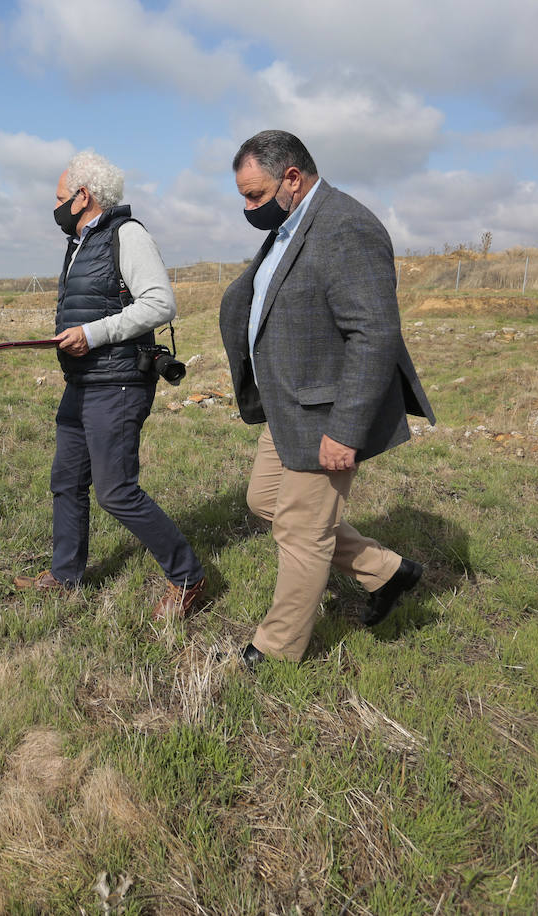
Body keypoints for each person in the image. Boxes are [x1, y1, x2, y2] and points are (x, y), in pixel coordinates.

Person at [219, 130, 436, 667]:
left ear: (292, 178)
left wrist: (347, 429)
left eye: (254, 195)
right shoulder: (291, 225)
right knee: (265, 502)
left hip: (327, 413)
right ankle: (387, 572)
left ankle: (277, 649)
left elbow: (374, 334)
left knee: (301, 529)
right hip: (288, 406)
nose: (248, 207)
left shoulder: (346, 226)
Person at [13, 149, 207, 620]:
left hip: (117, 382)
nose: (55, 207)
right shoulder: (80, 242)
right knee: (66, 482)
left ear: (84, 196)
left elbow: (161, 303)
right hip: (81, 380)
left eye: (60, 198)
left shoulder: (127, 235)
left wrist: (92, 334)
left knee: (116, 491)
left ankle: (189, 577)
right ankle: (65, 576)